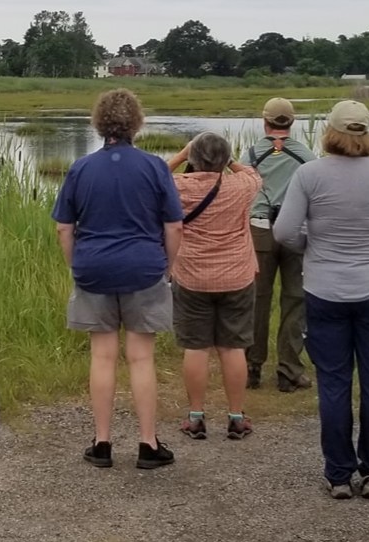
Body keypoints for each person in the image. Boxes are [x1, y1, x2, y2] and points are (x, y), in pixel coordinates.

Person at [273, 100, 369, 501]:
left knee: (334, 382)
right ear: (367, 133)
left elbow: (284, 231)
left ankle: (339, 474)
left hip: (324, 290)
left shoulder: (309, 174)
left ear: (329, 132)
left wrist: (312, 246)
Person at [53, 89, 183, 472]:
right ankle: (147, 443)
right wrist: (167, 266)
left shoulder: (81, 168)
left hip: (93, 268)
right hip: (144, 267)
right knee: (141, 357)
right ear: (136, 123)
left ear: (99, 123)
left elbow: (64, 227)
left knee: (103, 356)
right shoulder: (155, 167)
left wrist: (76, 264)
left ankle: (103, 442)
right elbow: (173, 225)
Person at [166, 132, 261, 441]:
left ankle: (196, 418)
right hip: (237, 275)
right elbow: (253, 174)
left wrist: (181, 156)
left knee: (196, 348)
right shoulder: (241, 186)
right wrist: (230, 161)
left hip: (192, 275)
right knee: (233, 347)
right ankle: (236, 417)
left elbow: (152, 178)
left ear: (193, 159)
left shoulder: (177, 187)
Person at [245, 97, 316, 392]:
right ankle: (288, 370)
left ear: (265, 122)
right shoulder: (307, 157)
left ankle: (251, 367)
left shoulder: (251, 154)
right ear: (292, 122)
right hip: (296, 231)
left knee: (257, 300)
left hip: (259, 229)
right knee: (295, 300)